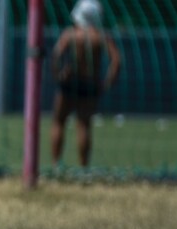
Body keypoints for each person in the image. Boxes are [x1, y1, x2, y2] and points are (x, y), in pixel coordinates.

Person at [50, 0, 121, 167]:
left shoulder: (71, 34)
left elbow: (56, 56)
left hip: (70, 83)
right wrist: (106, 83)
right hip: (89, 84)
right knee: (84, 125)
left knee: (59, 121)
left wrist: (58, 76)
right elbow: (117, 61)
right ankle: (83, 167)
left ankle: (56, 164)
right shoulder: (101, 36)